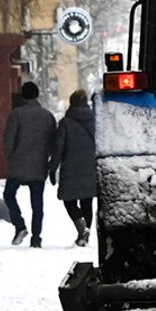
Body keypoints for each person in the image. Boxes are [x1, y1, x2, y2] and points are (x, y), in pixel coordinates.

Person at [2, 81, 57, 248]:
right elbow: (52, 142)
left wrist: (10, 157)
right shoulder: (47, 116)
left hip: (18, 164)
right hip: (38, 165)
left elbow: (9, 140)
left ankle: (20, 226)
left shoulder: (16, 114)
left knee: (9, 194)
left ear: (23, 96)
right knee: (37, 204)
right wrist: (46, 158)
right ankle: (36, 239)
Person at [50, 89, 97, 247]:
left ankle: (81, 228)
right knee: (87, 203)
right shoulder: (94, 120)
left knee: (69, 202)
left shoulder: (65, 123)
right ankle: (85, 235)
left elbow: (58, 148)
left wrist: (52, 168)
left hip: (70, 168)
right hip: (90, 167)